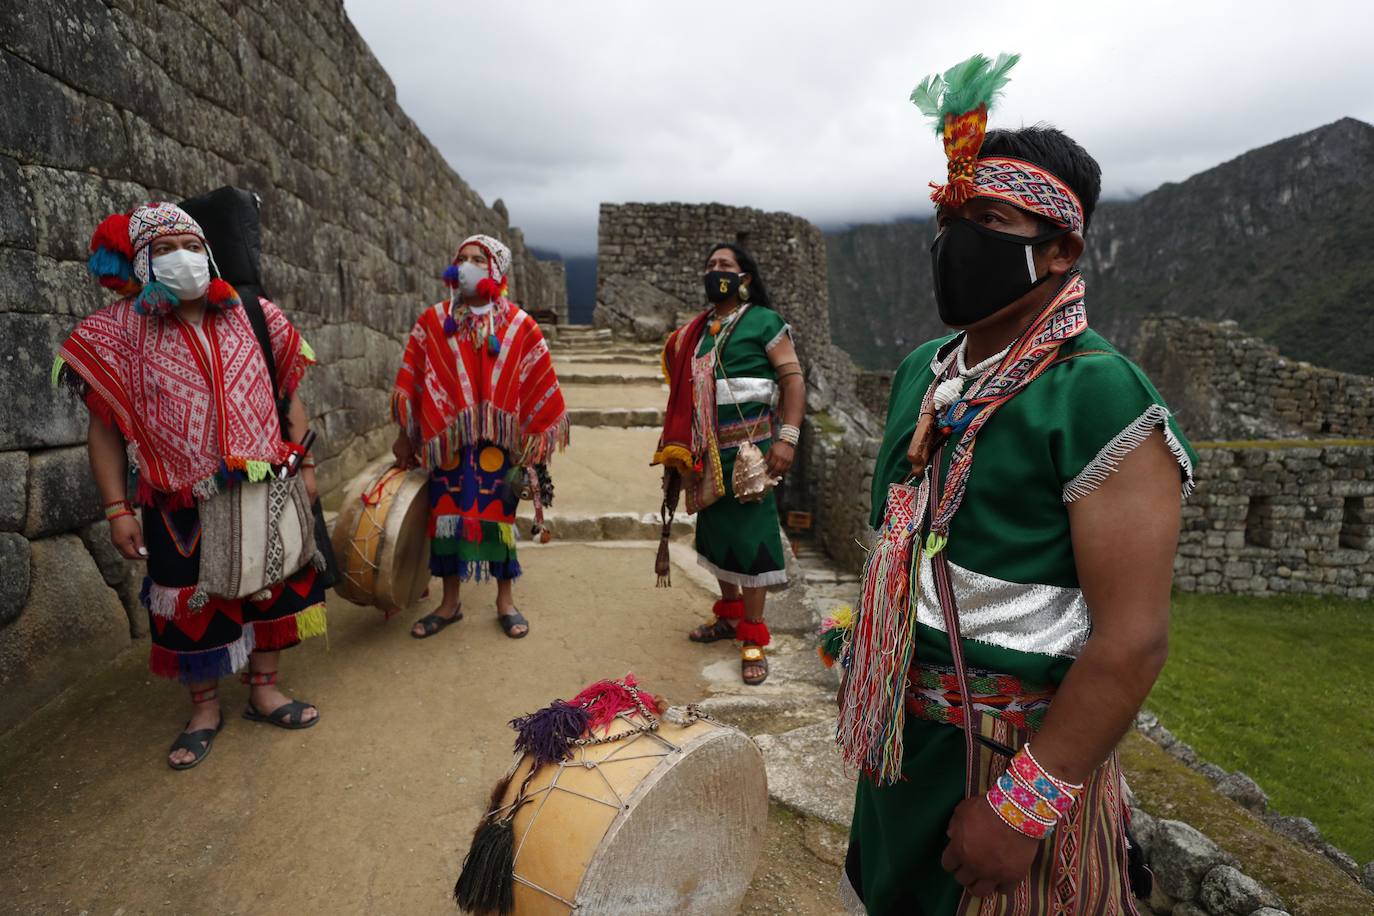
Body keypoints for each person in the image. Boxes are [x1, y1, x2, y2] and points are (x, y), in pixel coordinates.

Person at [820, 55, 1196, 913]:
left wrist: (1023, 807)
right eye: (952, 216)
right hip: (898, 754)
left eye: (989, 220)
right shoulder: (923, 371)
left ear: (1062, 249)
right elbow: (901, 542)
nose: (959, 241)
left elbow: (1132, 641)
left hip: (1006, 758)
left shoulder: (1099, 396)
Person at [55, 202, 326, 770]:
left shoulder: (255, 313)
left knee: (270, 583)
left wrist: (304, 465)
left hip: (264, 486)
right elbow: (104, 430)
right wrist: (115, 508)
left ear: (209, 252)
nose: (183, 257)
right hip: (181, 499)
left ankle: (264, 690)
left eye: (192, 245)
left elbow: (289, 392)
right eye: (165, 249)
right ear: (142, 263)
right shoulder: (117, 333)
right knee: (192, 600)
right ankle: (204, 709)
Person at [392, 234, 569, 640]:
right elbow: (415, 382)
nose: (467, 265)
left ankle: (504, 600)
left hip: (498, 447)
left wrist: (531, 444)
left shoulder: (519, 325)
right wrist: (406, 435)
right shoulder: (434, 321)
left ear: (496, 271)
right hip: (448, 447)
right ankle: (449, 603)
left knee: (499, 519)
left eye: (478, 259)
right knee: (446, 519)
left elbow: (537, 381)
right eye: (462, 258)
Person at [653, 243, 807, 685]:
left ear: (746, 278)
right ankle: (729, 614)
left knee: (753, 542)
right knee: (717, 537)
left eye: (725, 265)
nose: (715, 271)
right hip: (704, 452)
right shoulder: (695, 333)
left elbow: (792, 380)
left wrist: (788, 439)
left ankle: (753, 638)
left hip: (750, 452)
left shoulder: (765, 322)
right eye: (710, 266)